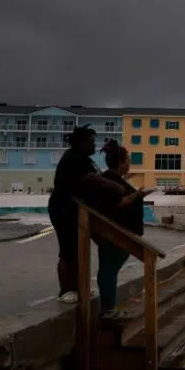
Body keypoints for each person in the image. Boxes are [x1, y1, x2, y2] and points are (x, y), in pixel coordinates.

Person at [47, 126, 125, 303]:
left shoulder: (84, 160)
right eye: (90, 142)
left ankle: (79, 286)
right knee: (68, 250)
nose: (93, 145)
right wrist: (115, 187)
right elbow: (90, 179)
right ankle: (67, 289)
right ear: (81, 143)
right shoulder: (73, 158)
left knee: (79, 249)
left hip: (77, 210)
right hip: (63, 209)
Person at [95, 140, 153, 319]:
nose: (129, 164)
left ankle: (108, 308)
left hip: (120, 233)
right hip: (115, 234)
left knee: (108, 270)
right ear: (120, 163)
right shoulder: (109, 180)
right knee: (108, 270)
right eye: (127, 161)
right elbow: (116, 203)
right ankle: (108, 310)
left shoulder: (112, 179)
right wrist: (138, 194)